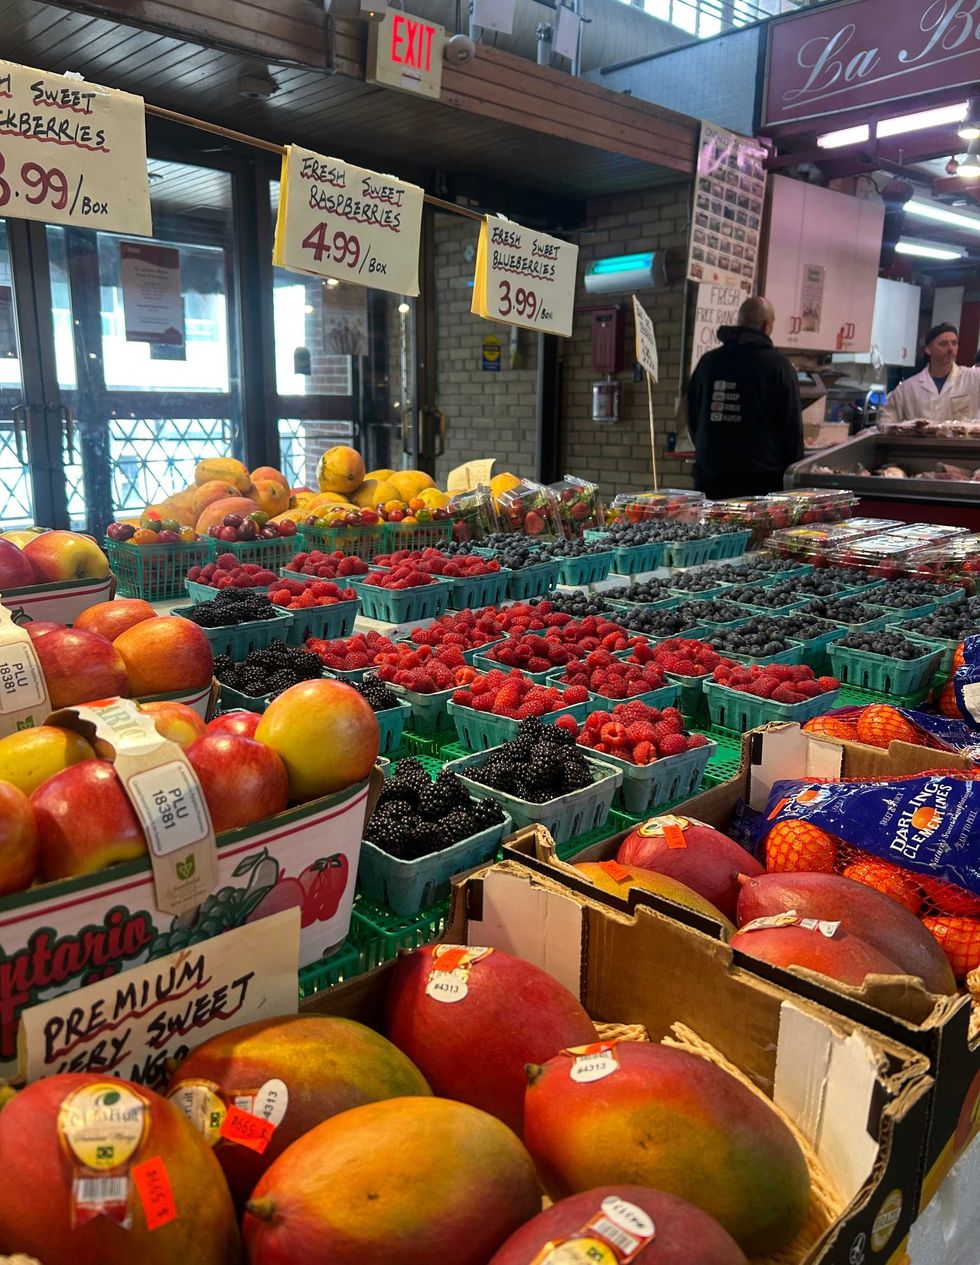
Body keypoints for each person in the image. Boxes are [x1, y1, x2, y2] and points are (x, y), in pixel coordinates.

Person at [686, 296, 803, 500]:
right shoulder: (778, 366)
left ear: (739, 322)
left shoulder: (708, 363)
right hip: (761, 485)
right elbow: (792, 428)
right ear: (766, 326)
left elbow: (692, 419)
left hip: (711, 481)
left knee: (712, 532)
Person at [879, 323, 980, 423]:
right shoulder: (908, 389)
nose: (950, 348)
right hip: (921, 439)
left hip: (961, 439)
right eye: (943, 344)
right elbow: (886, 420)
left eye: (954, 343)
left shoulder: (973, 378)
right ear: (928, 349)